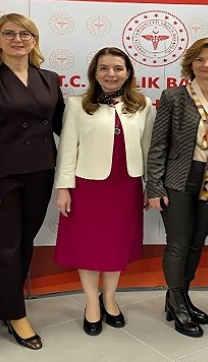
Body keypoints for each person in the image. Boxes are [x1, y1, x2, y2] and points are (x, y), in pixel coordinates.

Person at [0, 13, 64, 350]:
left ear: (35, 40)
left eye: (25, 34)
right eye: (8, 33)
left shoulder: (49, 78)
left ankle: (7, 305)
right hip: (0, 177)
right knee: (4, 246)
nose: (17, 39)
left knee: (23, 242)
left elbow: (63, 124)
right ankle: (16, 314)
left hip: (40, 172)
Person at [146, 37, 208, 338]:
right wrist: (155, 187)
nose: (206, 65)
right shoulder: (174, 97)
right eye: (200, 59)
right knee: (178, 243)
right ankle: (177, 304)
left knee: (195, 243)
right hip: (179, 180)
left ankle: (181, 297)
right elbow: (158, 145)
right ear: (190, 64)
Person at [54, 46, 154, 336]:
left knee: (116, 245)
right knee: (87, 246)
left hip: (126, 186)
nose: (111, 74)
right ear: (94, 73)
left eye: (118, 68)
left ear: (128, 73)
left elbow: (148, 149)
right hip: (87, 187)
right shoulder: (77, 105)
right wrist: (63, 188)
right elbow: (67, 149)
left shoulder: (143, 105)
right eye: (104, 68)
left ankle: (109, 297)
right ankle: (91, 303)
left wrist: (150, 185)